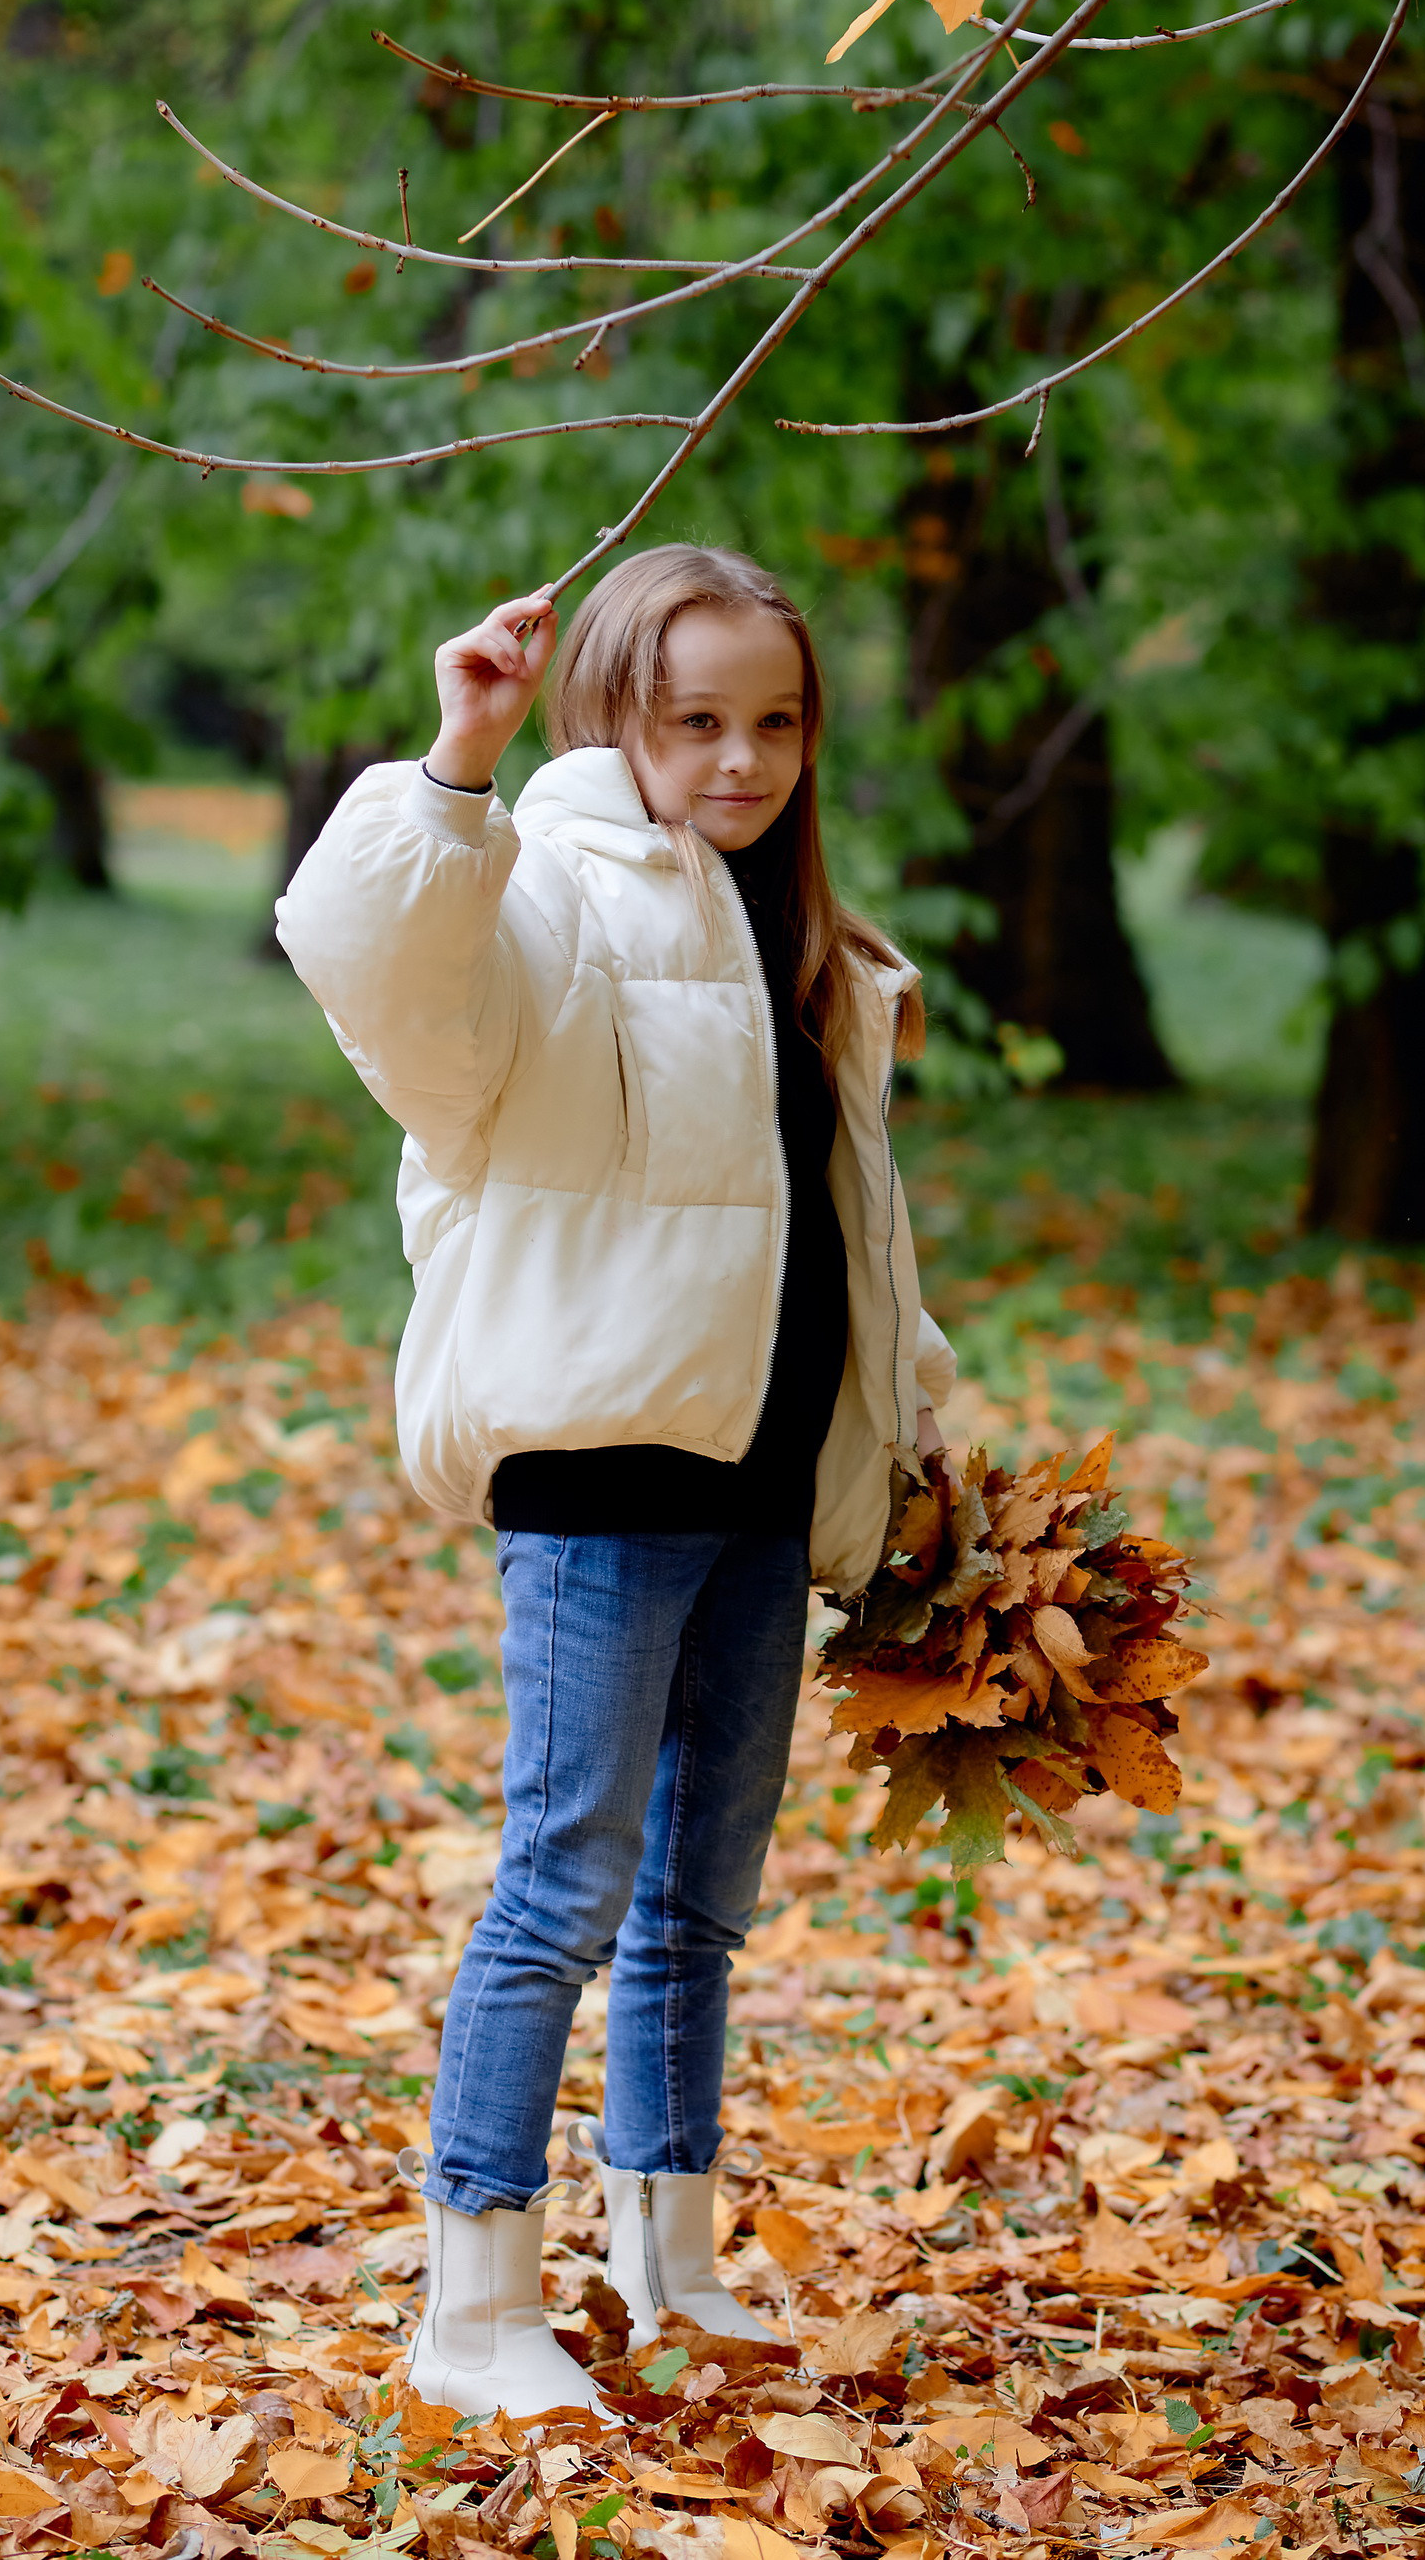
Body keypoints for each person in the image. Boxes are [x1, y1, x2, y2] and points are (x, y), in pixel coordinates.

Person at [276, 544, 954, 2421]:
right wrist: (453, 767)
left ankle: (668, 2264)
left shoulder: (791, 929)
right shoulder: (542, 894)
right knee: (559, 1885)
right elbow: (378, 974)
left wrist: (914, 1443)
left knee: (697, 1904)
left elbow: (847, 1238)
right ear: (617, 719)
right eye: (697, 721)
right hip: (600, 1465)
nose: (741, 760)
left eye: (777, 722)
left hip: (756, 1472)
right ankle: (474, 2300)